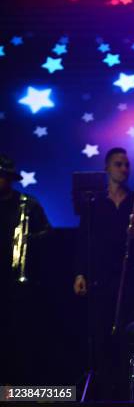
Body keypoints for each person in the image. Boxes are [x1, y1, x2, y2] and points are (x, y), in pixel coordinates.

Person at [73, 147, 134, 400]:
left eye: (127, 165)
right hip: (99, 275)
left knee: (127, 334)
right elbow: (83, 240)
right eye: (118, 164)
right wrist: (79, 273)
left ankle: (126, 387)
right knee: (100, 332)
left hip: (128, 277)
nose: (124, 169)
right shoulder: (92, 202)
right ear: (107, 167)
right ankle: (103, 388)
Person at [0, 155, 51, 385]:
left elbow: (48, 233)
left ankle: (20, 387)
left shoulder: (27, 204)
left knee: (19, 336)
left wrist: (27, 239)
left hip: (19, 282)